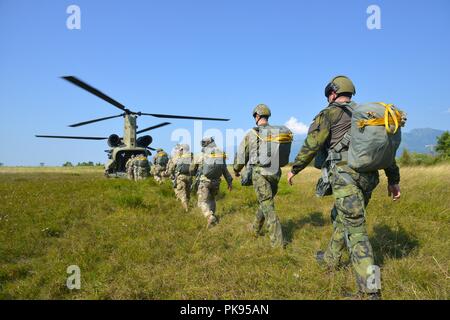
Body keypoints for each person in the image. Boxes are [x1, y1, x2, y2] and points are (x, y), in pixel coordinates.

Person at [287, 75, 401, 299]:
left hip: (345, 177)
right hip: (369, 178)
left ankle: (370, 290)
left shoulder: (328, 114)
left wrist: (295, 168)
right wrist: (393, 179)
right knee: (342, 219)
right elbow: (386, 150)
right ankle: (330, 260)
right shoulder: (368, 116)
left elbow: (312, 144)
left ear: (332, 93)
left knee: (356, 231)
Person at [233, 104, 286, 248]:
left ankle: (278, 245)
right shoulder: (277, 132)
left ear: (257, 116)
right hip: (275, 173)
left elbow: (241, 156)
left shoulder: (251, 134)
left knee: (268, 208)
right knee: (265, 203)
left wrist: (237, 170)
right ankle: (255, 229)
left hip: (260, 174)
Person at [190, 137, 233, 228]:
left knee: (201, 202)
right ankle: (212, 217)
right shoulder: (221, 154)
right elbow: (225, 169)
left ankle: (209, 216)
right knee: (212, 199)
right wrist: (229, 182)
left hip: (205, 182)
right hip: (216, 182)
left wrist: (194, 173)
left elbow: (192, 169)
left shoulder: (201, 154)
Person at [167, 144, 193, 212]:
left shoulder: (178, 157)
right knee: (188, 193)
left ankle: (186, 209)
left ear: (182, 149)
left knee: (182, 193)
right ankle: (188, 205)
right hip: (189, 177)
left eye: (181, 149)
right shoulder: (192, 156)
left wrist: (170, 174)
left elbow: (172, 167)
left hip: (180, 177)